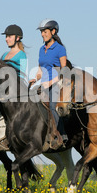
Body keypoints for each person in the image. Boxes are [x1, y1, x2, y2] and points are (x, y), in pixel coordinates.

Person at [30, 19, 68, 149]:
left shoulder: (60, 49)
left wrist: (50, 82)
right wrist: (35, 79)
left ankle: (60, 135)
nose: (42, 34)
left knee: (53, 106)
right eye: (41, 32)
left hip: (57, 83)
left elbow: (64, 70)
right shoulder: (42, 49)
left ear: (53, 31)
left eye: (45, 31)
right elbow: (41, 69)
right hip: (44, 83)